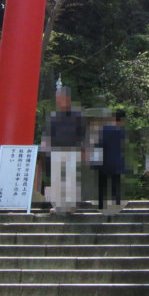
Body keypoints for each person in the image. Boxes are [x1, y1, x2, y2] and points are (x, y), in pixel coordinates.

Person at [42, 86, 87, 214]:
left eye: (60, 98)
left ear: (67, 99)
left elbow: (83, 133)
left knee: (71, 178)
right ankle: (57, 206)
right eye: (57, 99)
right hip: (56, 150)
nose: (58, 101)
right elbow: (48, 134)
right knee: (56, 178)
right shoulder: (53, 116)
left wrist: (84, 149)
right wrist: (47, 148)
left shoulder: (78, 115)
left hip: (73, 150)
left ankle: (71, 204)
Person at [92, 108, 126, 211]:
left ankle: (101, 205)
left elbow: (98, 146)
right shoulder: (121, 132)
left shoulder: (103, 130)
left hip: (104, 162)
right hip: (117, 162)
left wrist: (95, 162)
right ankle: (117, 204)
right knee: (116, 185)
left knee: (102, 186)